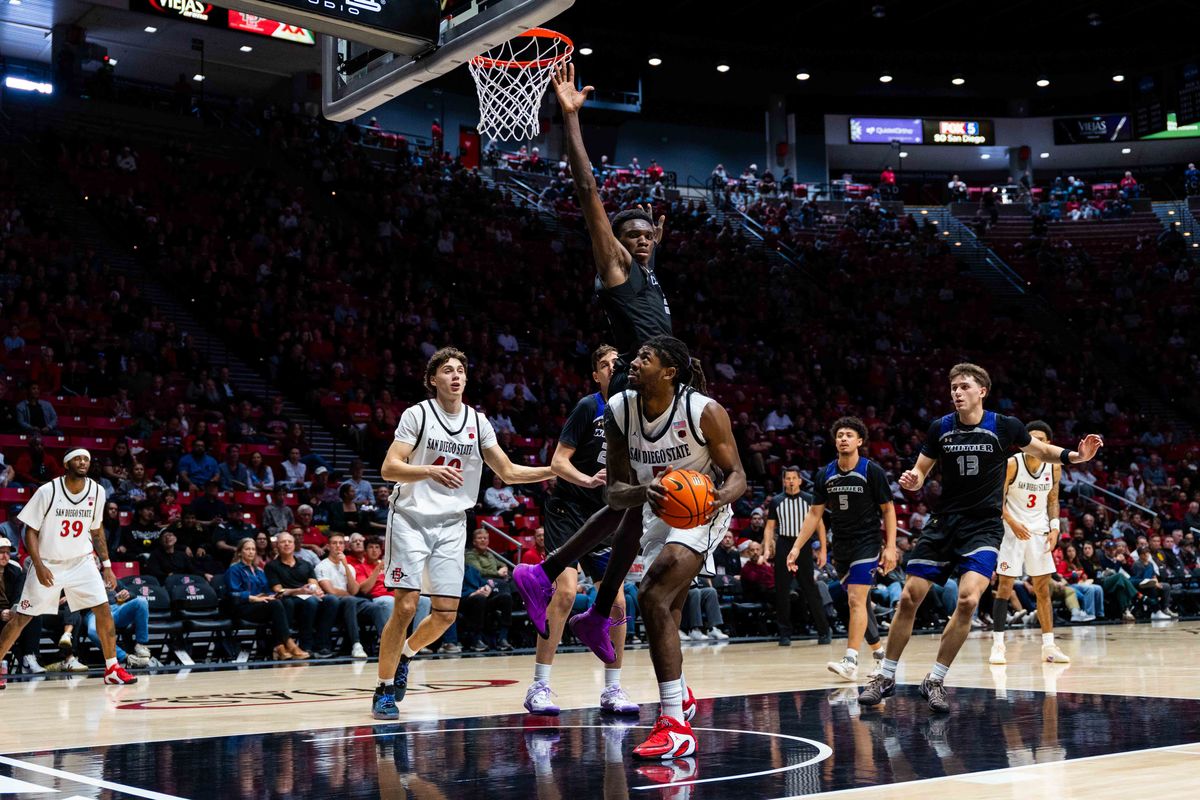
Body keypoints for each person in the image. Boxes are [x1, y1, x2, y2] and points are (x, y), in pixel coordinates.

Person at [512, 62, 674, 653]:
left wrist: (656, 231)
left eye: (646, 235)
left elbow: (651, 246)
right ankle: (547, 577)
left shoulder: (650, 276)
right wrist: (571, 120)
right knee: (636, 506)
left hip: (656, 395)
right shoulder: (619, 269)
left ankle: (589, 608)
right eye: (630, 235)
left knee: (630, 510)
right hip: (636, 401)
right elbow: (587, 193)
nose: (640, 240)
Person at [858, 363, 1102, 713]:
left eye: (964, 386)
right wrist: (914, 478)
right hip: (943, 523)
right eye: (953, 387)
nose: (956, 392)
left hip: (983, 527)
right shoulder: (940, 427)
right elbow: (921, 469)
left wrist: (1076, 456)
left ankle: (936, 678)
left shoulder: (1005, 426)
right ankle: (885, 675)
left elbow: (1040, 451)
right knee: (910, 596)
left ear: (982, 391)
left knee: (970, 600)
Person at [372, 347, 554, 720]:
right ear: (433, 379)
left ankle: (405, 655)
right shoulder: (418, 414)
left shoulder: (478, 421)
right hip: (410, 518)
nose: (455, 376)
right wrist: (428, 471)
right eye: (447, 371)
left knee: (445, 615)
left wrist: (559, 470)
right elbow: (389, 468)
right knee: (406, 605)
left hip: (453, 523)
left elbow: (508, 471)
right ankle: (384, 689)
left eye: (460, 371)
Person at [603, 336, 746, 759]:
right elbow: (614, 492)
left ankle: (675, 725)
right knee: (666, 608)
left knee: (651, 595)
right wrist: (644, 491)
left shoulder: (703, 410)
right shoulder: (619, 410)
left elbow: (737, 475)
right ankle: (679, 694)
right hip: (656, 513)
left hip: (703, 510)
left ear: (669, 372)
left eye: (646, 357)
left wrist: (719, 499)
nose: (635, 361)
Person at [521, 343, 639, 716]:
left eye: (616, 363)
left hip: (606, 513)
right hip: (568, 508)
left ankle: (613, 689)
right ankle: (539, 685)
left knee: (618, 601)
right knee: (566, 593)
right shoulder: (589, 407)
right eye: (604, 365)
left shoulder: (635, 412)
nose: (611, 368)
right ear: (595, 375)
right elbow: (558, 462)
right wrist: (587, 480)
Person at [0, 448, 137, 686]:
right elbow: (30, 531)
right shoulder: (48, 490)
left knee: (103, 609)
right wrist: (39, 566)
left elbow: (96, 530)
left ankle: (112, 668)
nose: (83, 462)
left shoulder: (97, 491)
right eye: (78, 458)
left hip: (82, 561)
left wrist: (106, 565)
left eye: (86, 458)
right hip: (49, 563)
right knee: (22, 618)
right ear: (66, 464)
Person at [787, 417, 896, 681]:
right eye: (840, 435)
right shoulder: (825, 473)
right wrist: (796, 546)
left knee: (857, 600)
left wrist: (890, 546)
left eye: (849, 435)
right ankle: (882, 658)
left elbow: (888, 509)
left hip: (867, 542)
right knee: (860, 604)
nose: (843, 439)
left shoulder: (872, 471)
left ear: (859, 441)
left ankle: (850, 660)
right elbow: (814, 514)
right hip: (842, 545)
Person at [990, 420, 1072, 666]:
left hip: (1038, 531)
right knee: (1005, 587)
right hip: (1012, 529)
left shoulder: (1054, 467)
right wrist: (1012, 522)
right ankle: (998, 645)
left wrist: (1055, 527)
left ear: (1048, 444)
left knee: (1043, 589)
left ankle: (1048, 646)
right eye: (1031, 438)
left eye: (1041, 440)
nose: (1035, 443)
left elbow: (1053, 499)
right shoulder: (1012, 464)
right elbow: (997, 500)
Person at [765, 467, 830, 646]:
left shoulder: (810, 499)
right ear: (784, 481)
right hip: (784, 544)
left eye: (794, 478)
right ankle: (784, 634)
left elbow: (820, 526)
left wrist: (823, 550)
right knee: (782, 591)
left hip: (803, 545)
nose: (791, 481)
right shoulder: (776, 501)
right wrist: (766, 548)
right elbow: (770, 527)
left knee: (810, 589)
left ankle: (824, 631)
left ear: (800, 480)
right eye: (788, 479)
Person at [226, 538, 305, 661]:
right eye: (247, 549)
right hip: (243, 607)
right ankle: (288, 642)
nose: (251, 552)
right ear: (240, 552)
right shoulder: (234, 569)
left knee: (284, 602)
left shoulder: (259, 571)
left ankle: (279, 646)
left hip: (260, 605)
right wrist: (253, 598)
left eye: (253, 549)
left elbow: (267, 590)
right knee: (275, 606)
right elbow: (233, 593)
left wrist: (272, 595)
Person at [314, 532, 371, 659]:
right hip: (330, 605)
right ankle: (356, 644)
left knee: (373, 606)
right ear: (328, 546)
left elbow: (355, 590)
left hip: (349, 603)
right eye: (334, 543)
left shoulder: (349, 566)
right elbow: (331, 591)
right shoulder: (322, 566)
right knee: (350, 600)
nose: (338, 546)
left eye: (340, 543)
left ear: (344, 547)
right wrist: (349, 594)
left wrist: (345, 565)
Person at [83, 586, 155, 668]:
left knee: (141, 601)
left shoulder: (108, 577)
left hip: (117, 607)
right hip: (94, 612)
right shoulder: (83, 581)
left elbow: (132, 593)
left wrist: (127, 594)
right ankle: (126, 658)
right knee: (93, 630)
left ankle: (140, 645)